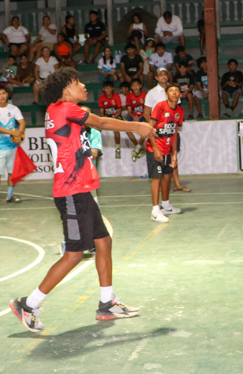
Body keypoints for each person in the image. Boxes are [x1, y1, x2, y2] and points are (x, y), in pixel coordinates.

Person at [8, 67, 153, 331]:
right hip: (71, 192)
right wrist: (137, 126)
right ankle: (28, 304)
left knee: (103, 241)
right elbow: (102, 123)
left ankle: (107, 303)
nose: (84, 86)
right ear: (65, 90)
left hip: (80, 190)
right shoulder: (65, 108)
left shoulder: (57, 110)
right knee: (74, 254)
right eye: (78, 82)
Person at [147, 83, 184, 222]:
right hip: (154, 149)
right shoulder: (160, 106)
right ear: (166, 94)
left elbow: (174, 133)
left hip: (167, 150)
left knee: (167, 176)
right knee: (157, 178)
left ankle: (166, 206)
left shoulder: (180, 111)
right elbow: (150, 129)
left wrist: (174, 154)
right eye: (171, 91)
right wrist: (156, 149)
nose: (174, 93)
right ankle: (155, 211)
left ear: (180, 95)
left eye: (177, 90)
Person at [98, 80, 131, 158]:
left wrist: (113, 118)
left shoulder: (116, 97)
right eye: (106, 88)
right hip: (106, 116)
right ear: (103, 89)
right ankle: (98, 148)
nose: (108, 90)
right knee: (98, 129)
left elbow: (119, 110)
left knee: (116, 130)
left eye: (110, 88)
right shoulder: (101, 98)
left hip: (116, 116)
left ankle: (118, 148)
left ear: (112, 88)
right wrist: (104, 119)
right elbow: (101, 112)